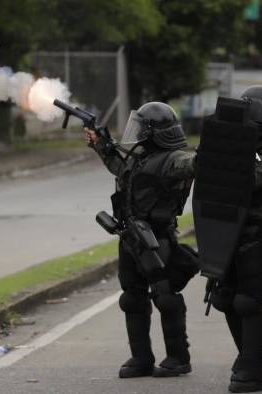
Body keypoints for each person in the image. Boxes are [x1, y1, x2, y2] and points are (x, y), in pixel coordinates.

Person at [85, 102, 198, 379]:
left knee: (165, 296)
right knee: (132, 298)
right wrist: (100, 144)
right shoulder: (139, 158)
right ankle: (141, 358)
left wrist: (208, 155)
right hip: (130, 237)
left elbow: (189, 164)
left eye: (142, 128)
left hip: (158, 239)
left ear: (155, 132)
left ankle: (178, 357)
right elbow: (118, 167)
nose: (136, 133)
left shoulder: (172, 159)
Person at [204, 86, 262, 392]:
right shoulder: (244, 142)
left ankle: (253, 368)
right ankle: (249, 352)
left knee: (247, 301)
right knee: (223, 298)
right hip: (229, 229)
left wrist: (221, 161)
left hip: (257, 232)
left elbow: (252, 179)